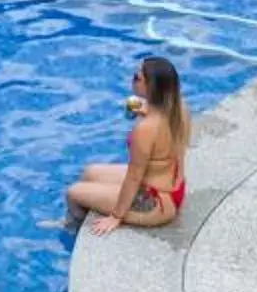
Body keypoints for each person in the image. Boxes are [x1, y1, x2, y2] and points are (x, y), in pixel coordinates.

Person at [65, 56, 190, 235]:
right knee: (90, 172)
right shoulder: (179, 109)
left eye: (137, 78)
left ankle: (72, 230)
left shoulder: (145, 129)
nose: (133, 79)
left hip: (155, 204)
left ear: (150, 88)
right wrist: (147, 110)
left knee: (74, 193)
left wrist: (116, 216)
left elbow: (134, 177)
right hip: (173, 190)